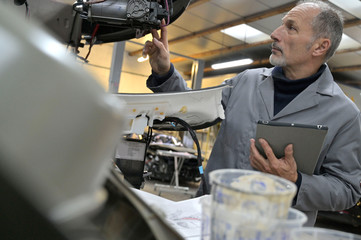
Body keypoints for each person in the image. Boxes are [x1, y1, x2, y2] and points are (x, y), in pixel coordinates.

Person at [143, 0, 361, 226]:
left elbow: (347, 189)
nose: (275, 34)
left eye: (291, 28)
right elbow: (190, 113)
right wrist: (164, 72)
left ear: (319, 46)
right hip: (210, 222)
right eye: (281, 25)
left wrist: (296, 182)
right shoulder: (244, 82)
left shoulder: (344, 114)